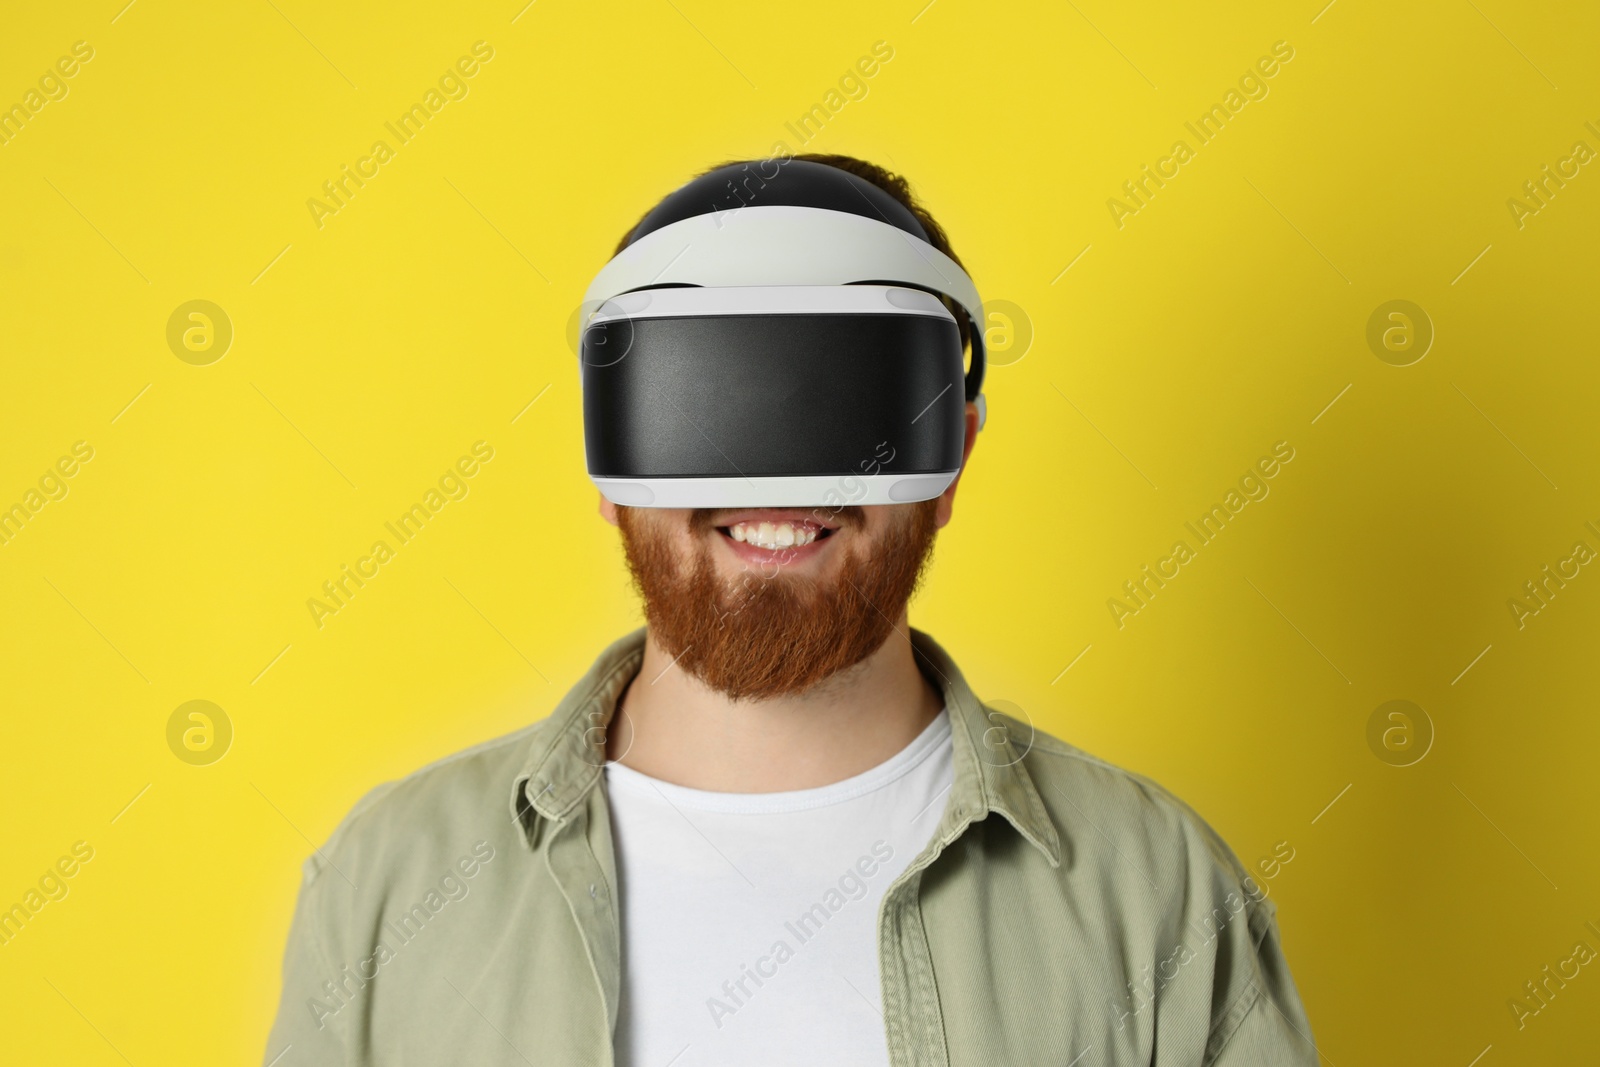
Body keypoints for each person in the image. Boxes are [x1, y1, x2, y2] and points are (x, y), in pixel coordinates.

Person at [264, 154, 1321, 1066]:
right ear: (610, 456)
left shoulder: (1154, 890)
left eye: (843, 391)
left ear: (952, 453)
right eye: (703, 392)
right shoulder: (389, 888)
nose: (771, 481)